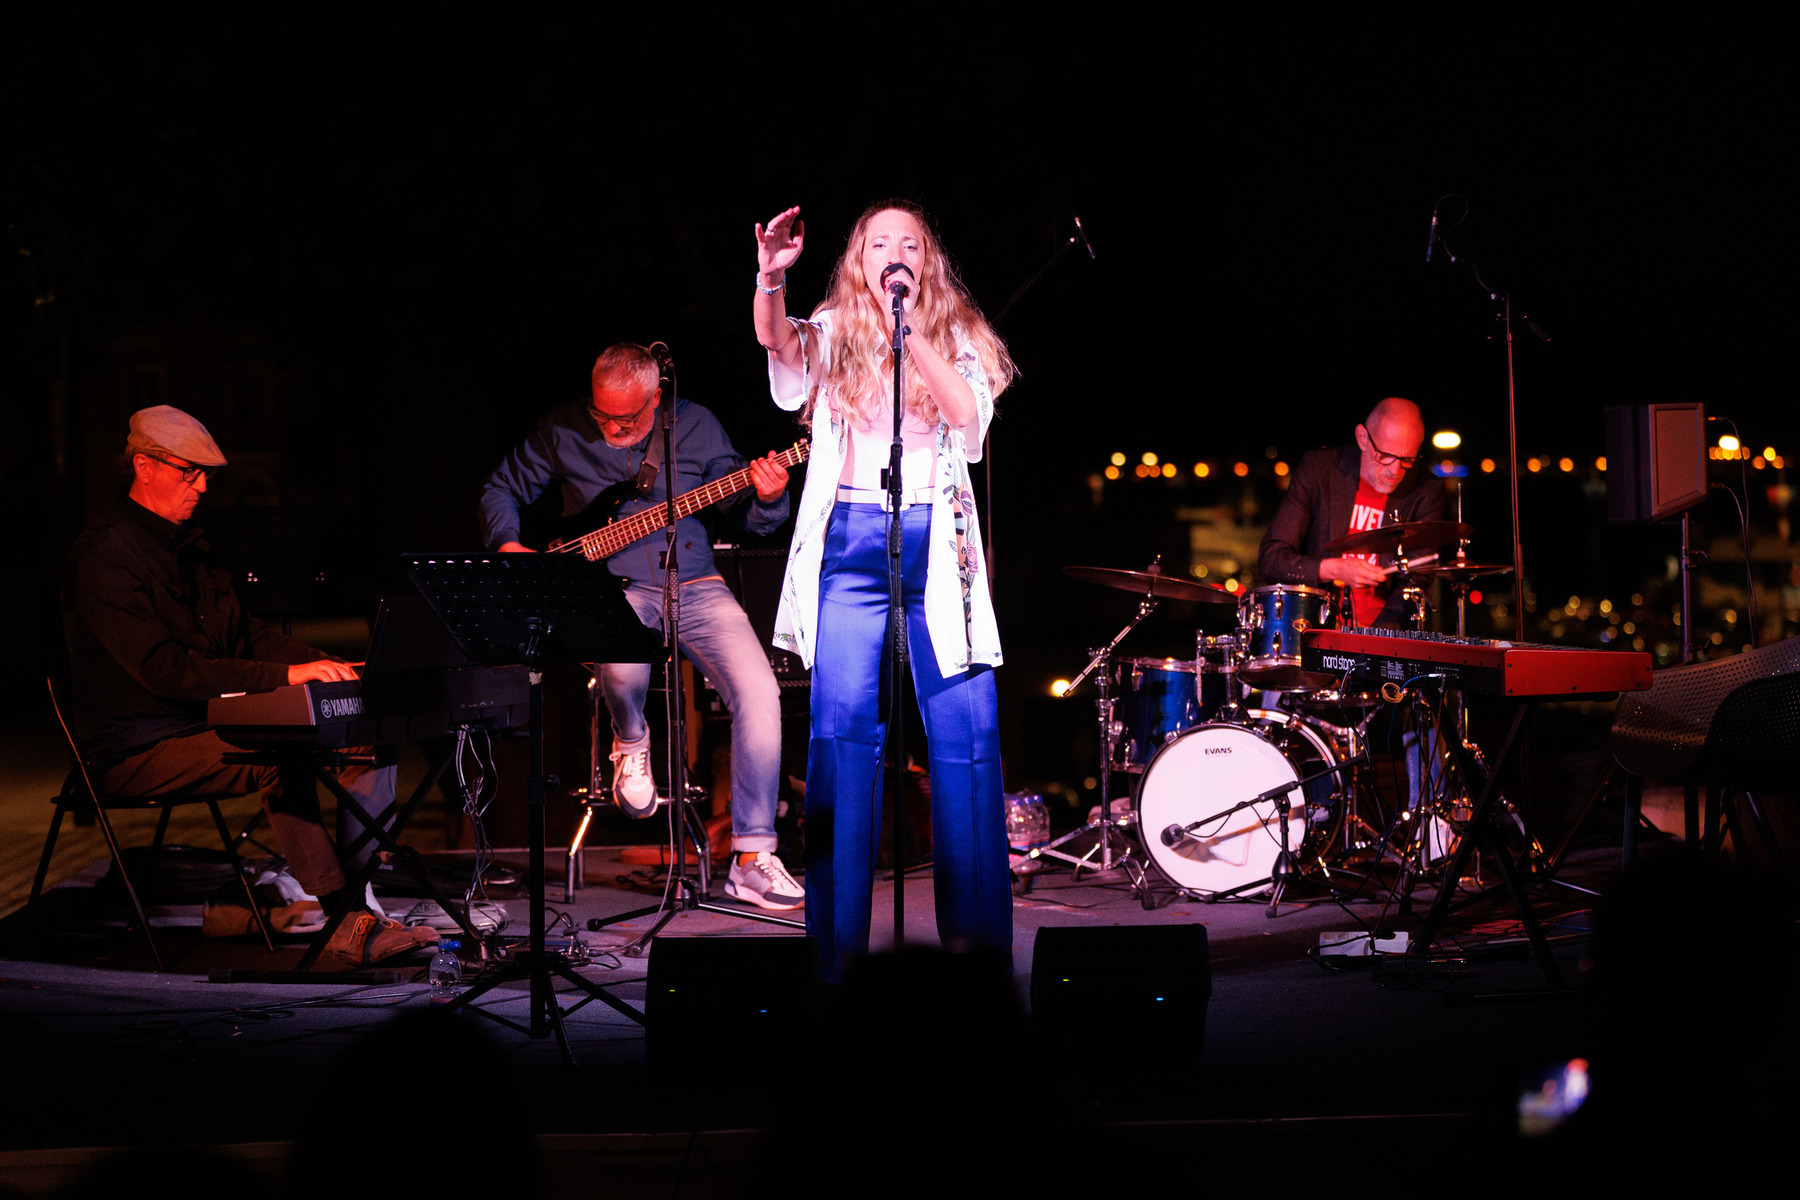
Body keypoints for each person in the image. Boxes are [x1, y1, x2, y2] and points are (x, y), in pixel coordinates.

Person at [61, 405, 434, 968]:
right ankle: (344, 920)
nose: (202, 486)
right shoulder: (104, 556)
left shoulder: (189, 549)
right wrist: (284, 677)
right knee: (277, 756)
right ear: (144, 466)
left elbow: (246, 637)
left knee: (361, 730)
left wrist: (329, 664)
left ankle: (359, 900)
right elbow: (167, 670)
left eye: (205, 474)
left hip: (207, 724)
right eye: (189, 471)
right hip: (134, 746)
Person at [753, 201, 1015, 983]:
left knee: (967, 738)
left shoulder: (959, 333)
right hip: (852, 541)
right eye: (878, 243)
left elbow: (967, 421)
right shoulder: (833, 327)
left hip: (940, 544)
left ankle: (977, 965)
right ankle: (835, 967)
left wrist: (913, 336)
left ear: (926, 261)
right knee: (840, 739)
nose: (893, 253)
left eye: (909, 244)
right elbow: (779, 345)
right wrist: (770, 278)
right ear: (856, 260)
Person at [478, 343, 805, 911]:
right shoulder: (563, 429)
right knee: (621, 659)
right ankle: (631, 740)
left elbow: (748, 518)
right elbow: (499, 489)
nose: (611, 427)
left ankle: (752, 857)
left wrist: (770, 498)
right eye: (601, 414)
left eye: (625, 419)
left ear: (656, 399)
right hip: (612, 587)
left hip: (696, 582)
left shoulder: (696, 426)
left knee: (760, 691)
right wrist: (509, 545)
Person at [1257, 396, 1446, 628]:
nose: (1395, 471)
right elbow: (1271, 560)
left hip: (1383, 632)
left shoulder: (1427, 489)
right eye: (1385, 455)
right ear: (1362, 438)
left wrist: (1375, 639)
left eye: (1407, 459)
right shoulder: (1319, 469)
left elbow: (1416, 582)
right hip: (1313, 629)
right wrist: (1334, 569)